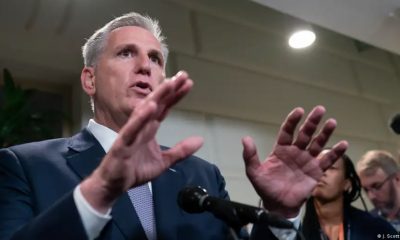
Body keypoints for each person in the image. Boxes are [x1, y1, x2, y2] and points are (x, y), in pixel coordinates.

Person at [0, 12, 348, 240]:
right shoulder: (23, 167)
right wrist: (99, 192)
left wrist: (279, 211)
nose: (144, 66)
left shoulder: (202, 176)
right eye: (126, 53)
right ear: (89, 80)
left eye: (155, 59)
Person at [301, 151, 397, 240]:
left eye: (331, 167)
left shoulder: (376, 228)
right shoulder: (295, 227)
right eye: (318, 168)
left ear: (347, 184)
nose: (321, 172)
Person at [356, 150, 400, 231]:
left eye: (377, 186)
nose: (371, 196)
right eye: (366, 190)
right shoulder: (365, 225)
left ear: (397, 178)